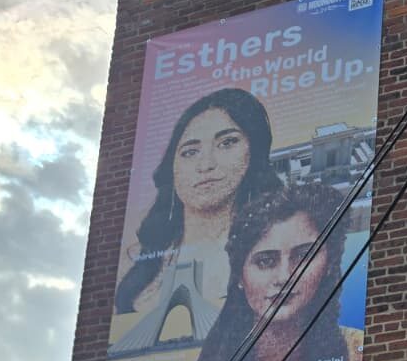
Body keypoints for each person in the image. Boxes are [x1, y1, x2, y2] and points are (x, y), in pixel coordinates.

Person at [188, 183, 363, 361]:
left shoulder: (358, 353)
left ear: (329, 264)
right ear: (239, 277)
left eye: (303, 256)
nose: (284, 276)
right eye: (265, 261)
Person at [115, 89, 284, 315]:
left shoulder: (279, 249)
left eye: (227, 142)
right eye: (190, 152)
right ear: (172, 166)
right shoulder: (135, 260)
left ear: (253, 153)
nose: (205, 165)